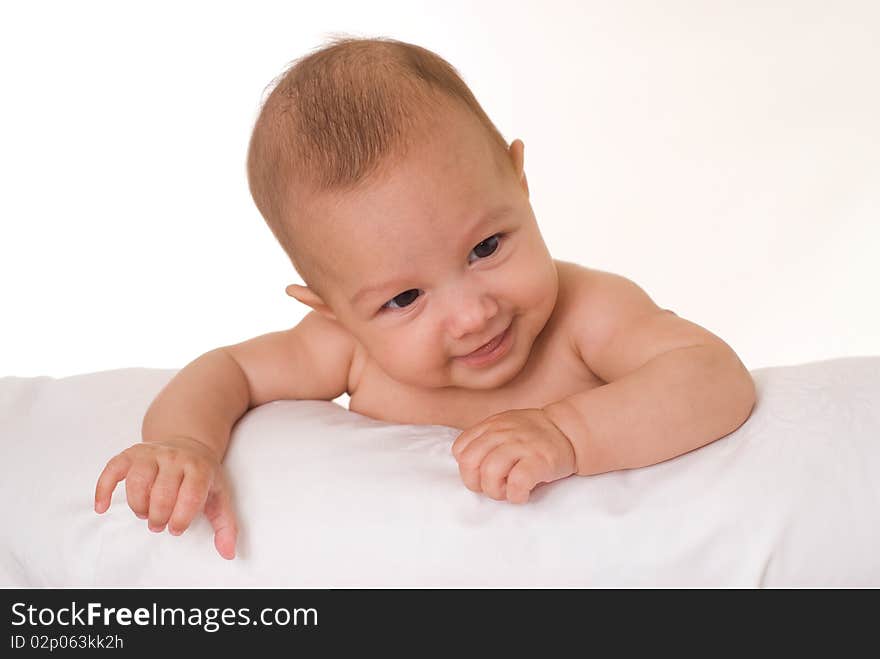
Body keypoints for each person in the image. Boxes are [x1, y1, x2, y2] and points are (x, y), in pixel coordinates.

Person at [94, 36, 756, 560]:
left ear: (520, 182)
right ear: (329, 307)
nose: (473, 315)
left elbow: (712, 375)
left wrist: (567, 433)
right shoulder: (348, 350)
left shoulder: (588, 313)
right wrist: (184, 441)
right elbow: (228, 370)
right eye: (405, 297)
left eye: (487, 247)